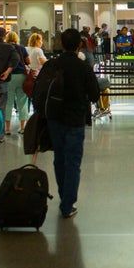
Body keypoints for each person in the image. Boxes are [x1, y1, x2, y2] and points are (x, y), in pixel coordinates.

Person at [46, 28, 100, 218]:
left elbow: (39, 91)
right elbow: (94, 94)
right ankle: (67, 204)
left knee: (59, 158)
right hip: (75, 119)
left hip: (54, 118)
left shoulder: (53, 65)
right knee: (73, 162)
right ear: (79, 45)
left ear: (61, 44)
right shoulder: (82, 66)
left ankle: (64, 197)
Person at [5, 31, 30, 135]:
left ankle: (7, 129)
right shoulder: (21, 48)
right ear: (16, 38)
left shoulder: (4, 48)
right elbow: (28, 61)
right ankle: (23, 127)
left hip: (9, 77)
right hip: (21, 76)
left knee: (8, 102)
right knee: (22, 102)